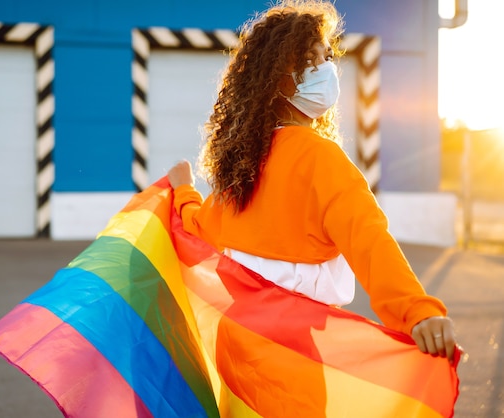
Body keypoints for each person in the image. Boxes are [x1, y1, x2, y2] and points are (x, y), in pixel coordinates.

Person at [167, 0, 458, 364]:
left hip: (233, 356)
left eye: (326, 58)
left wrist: (182, 189)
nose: (326, 70)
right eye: (309, 61)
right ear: (276, 80)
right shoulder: (320, 157)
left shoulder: (240, 169)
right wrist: (417, 311)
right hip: (294, 358)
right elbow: (370, 241)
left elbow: (196, 229)